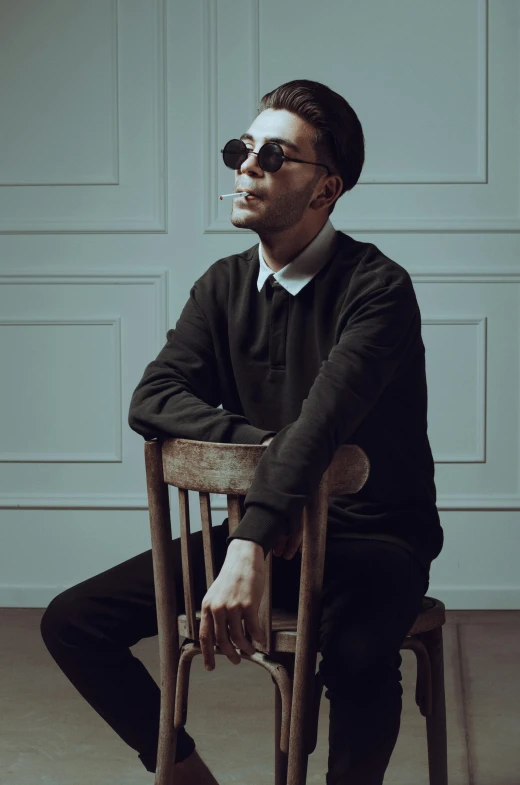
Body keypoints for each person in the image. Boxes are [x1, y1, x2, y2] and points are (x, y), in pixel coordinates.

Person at [40, 79, 443, 785]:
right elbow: (153, 397)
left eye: (273, 156)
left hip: (373, 534)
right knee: (73, 620)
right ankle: (187, 776)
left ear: (326, 189)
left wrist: (249, 540)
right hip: (267, 524)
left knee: (354, 655)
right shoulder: (222, 285)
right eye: (241, 150)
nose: (246, 168)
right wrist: (270, 471)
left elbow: (322, 421)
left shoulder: (378, 289)